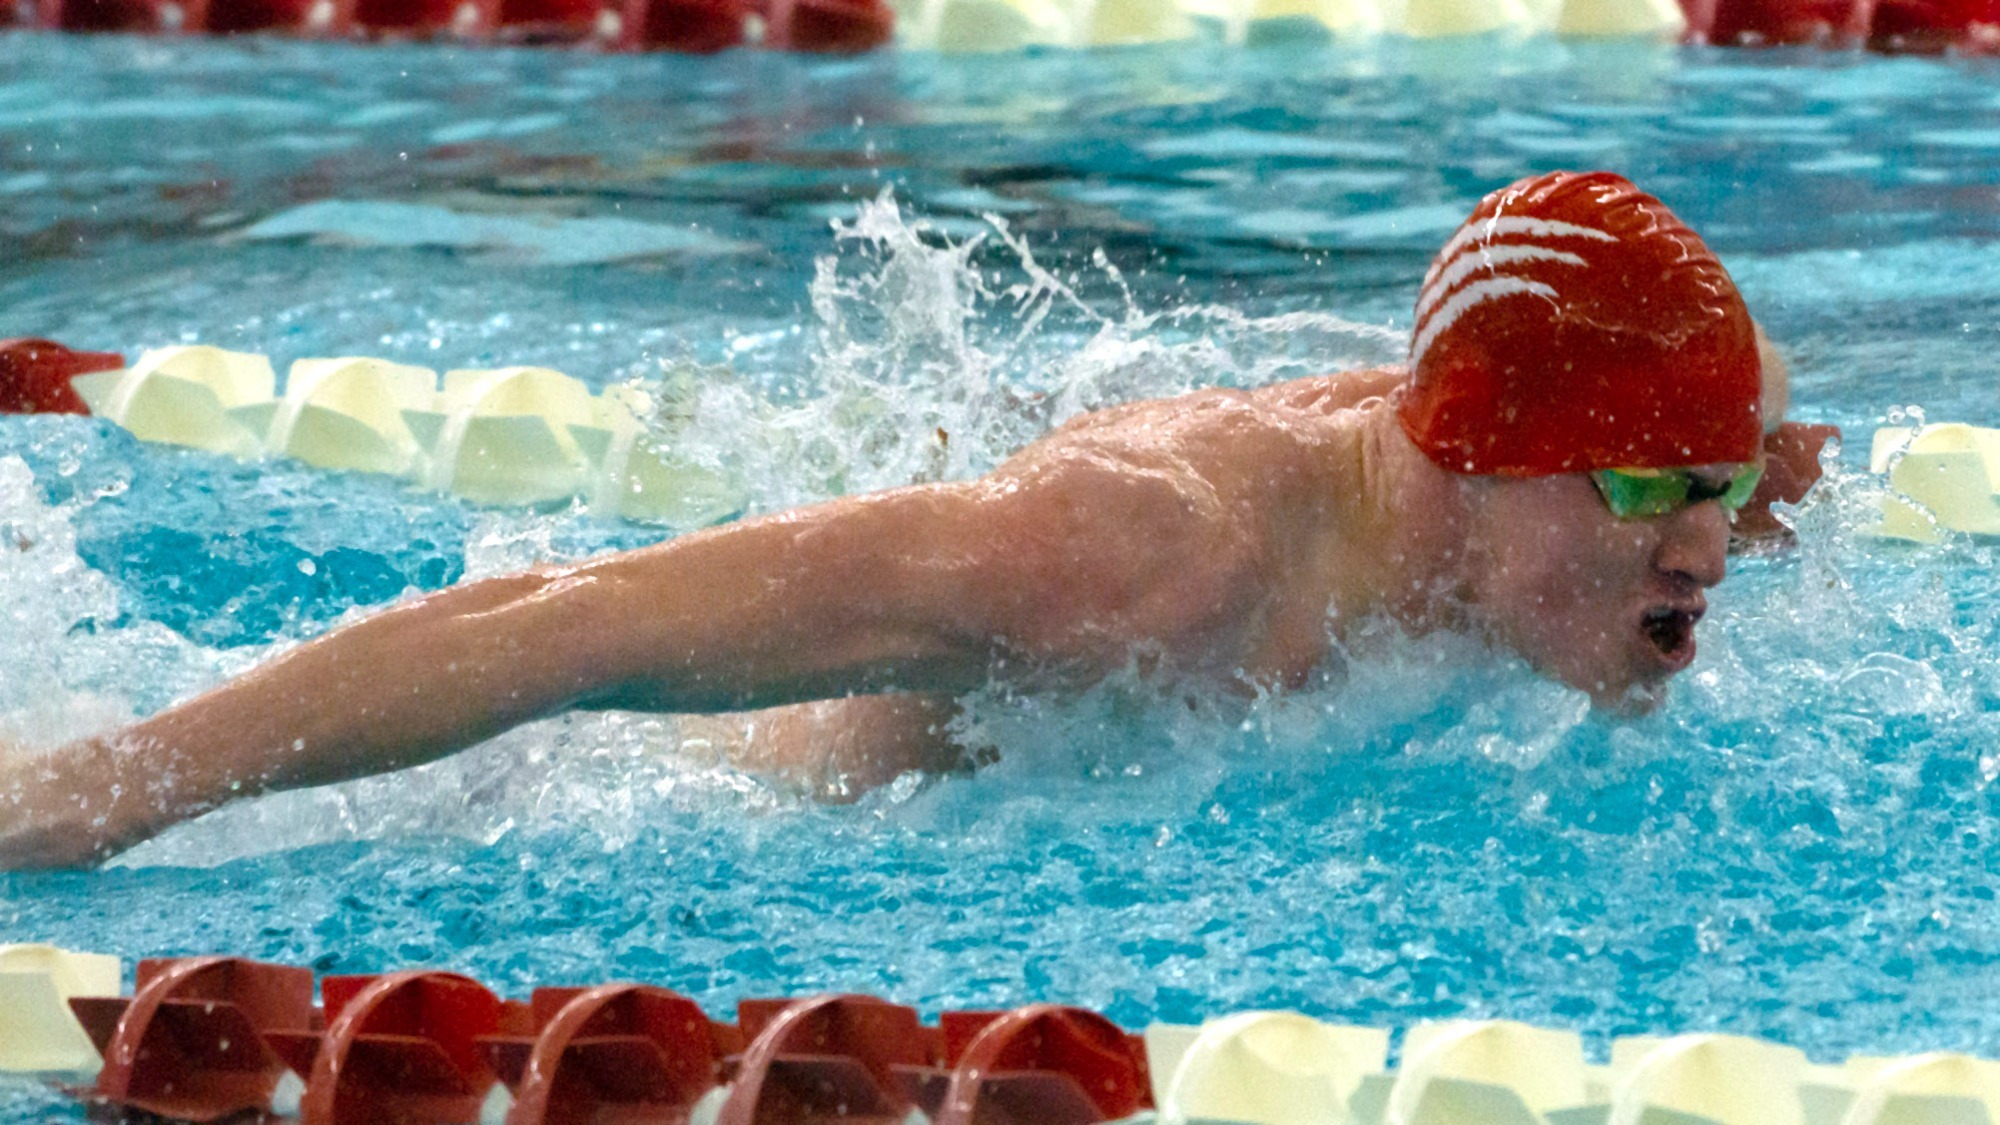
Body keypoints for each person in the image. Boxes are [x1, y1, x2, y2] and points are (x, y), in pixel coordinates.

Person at [0, 170, 1821, 870]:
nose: (1710, 551)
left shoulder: (1524, 496)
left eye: (1722, 488)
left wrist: (1736, 463)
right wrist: (105, 793)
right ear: (1496, 455)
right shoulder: (1142, 565)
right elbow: (572, 627)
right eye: (1663, 493)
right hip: (637, 790)